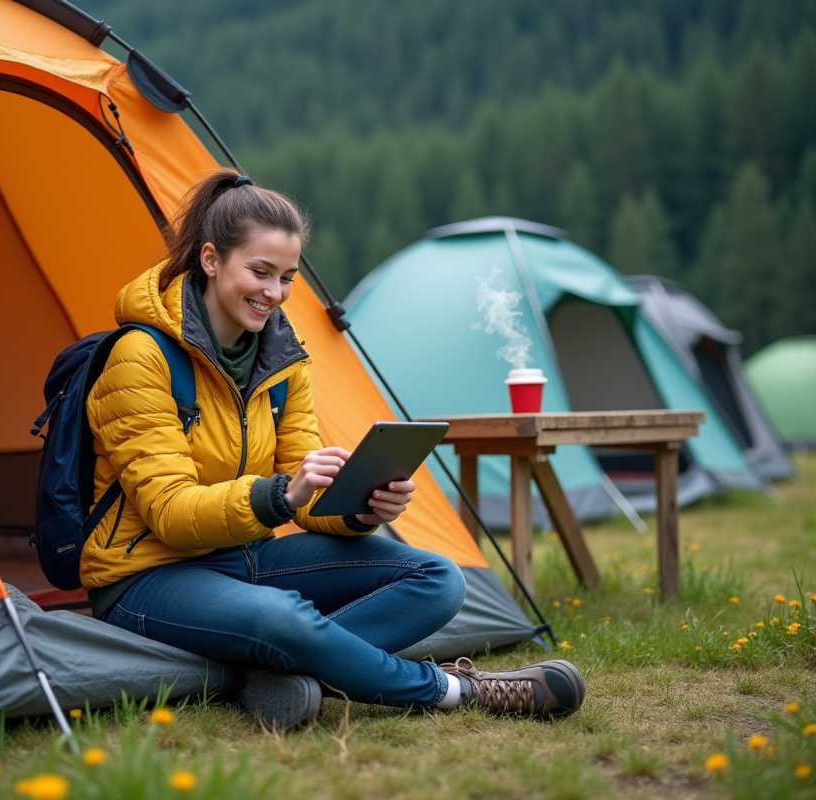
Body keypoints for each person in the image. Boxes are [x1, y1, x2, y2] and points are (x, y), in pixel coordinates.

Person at [80, 169, 584, 728]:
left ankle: (279, 674)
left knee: (439, 580)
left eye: (288, 278)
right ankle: (457, 690)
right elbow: (170, 513)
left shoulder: (280, 357)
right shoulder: (141, 357)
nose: (274, 294)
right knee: (282, 616)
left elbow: (303, 487)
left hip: (244, 556)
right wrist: (280, 495)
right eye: (260, 272)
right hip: (147, 577)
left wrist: (359, 508)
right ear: (210, 260)